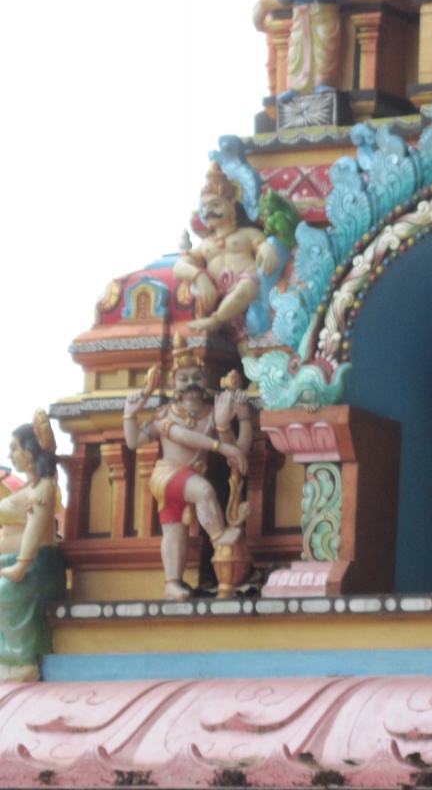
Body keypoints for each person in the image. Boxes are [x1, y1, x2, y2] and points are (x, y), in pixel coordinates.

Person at [123, 335, 251, 601]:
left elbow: (237, 449)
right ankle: (220, 541)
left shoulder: (210, 413)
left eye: (196, 377)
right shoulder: (165, 415)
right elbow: (140, 440)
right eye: (183, 379)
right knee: (204, 492)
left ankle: (173, 582)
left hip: (190, 476)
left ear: (205, 380)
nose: (191, 383)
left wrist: (237, 419)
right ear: (174, 384)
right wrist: (129, 414)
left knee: (174, 532)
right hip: (168, 475)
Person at [174, 162, 279, 339]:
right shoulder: (205, 245)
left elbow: (262, 244)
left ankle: (216, 320)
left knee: (247, 286)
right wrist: (199, 277)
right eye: (205, 206)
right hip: (221, 296)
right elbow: (179, 266)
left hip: (246, 290)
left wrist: (266, 248)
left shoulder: (247, 234)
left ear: (231, 205)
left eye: (215, 205)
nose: (209, 211)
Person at [0, 411, 66, 682]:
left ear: (29, 451)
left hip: (38, 566)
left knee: (5, 592)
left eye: (14, 448)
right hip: (20, 563)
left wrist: (20, 565)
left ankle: (25, 660)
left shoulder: (43, 488)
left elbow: (34, 530)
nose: (9, 455)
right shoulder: (28, 487)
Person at [258, 0, 357, 100]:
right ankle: (296, 86)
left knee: (324, 48)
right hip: (300, 14)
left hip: (324, 12)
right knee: (297, 50)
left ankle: (322, 82)